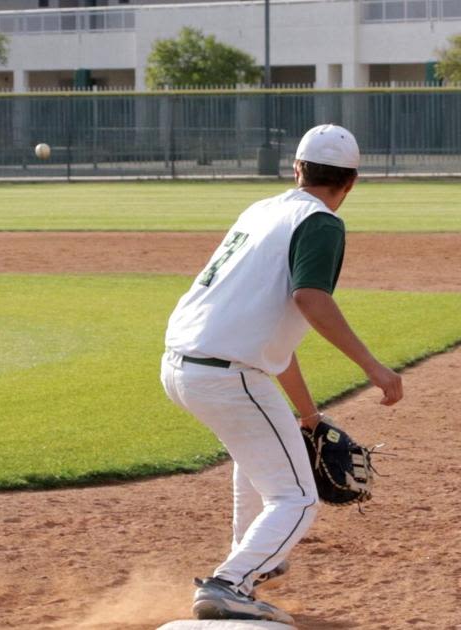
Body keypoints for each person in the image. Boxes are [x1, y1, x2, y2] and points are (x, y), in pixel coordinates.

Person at [160, 124, 403, 622]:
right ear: (352, 181)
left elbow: (275, 338)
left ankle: (249, 560)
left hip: (184, 364)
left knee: (260, 461)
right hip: (229, 376)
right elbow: (310, 300)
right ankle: (233, 582)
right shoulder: (320, 223)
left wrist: (309, 416)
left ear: (297, 169)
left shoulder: (262, 211)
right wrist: (373, 367)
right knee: (297, 496)